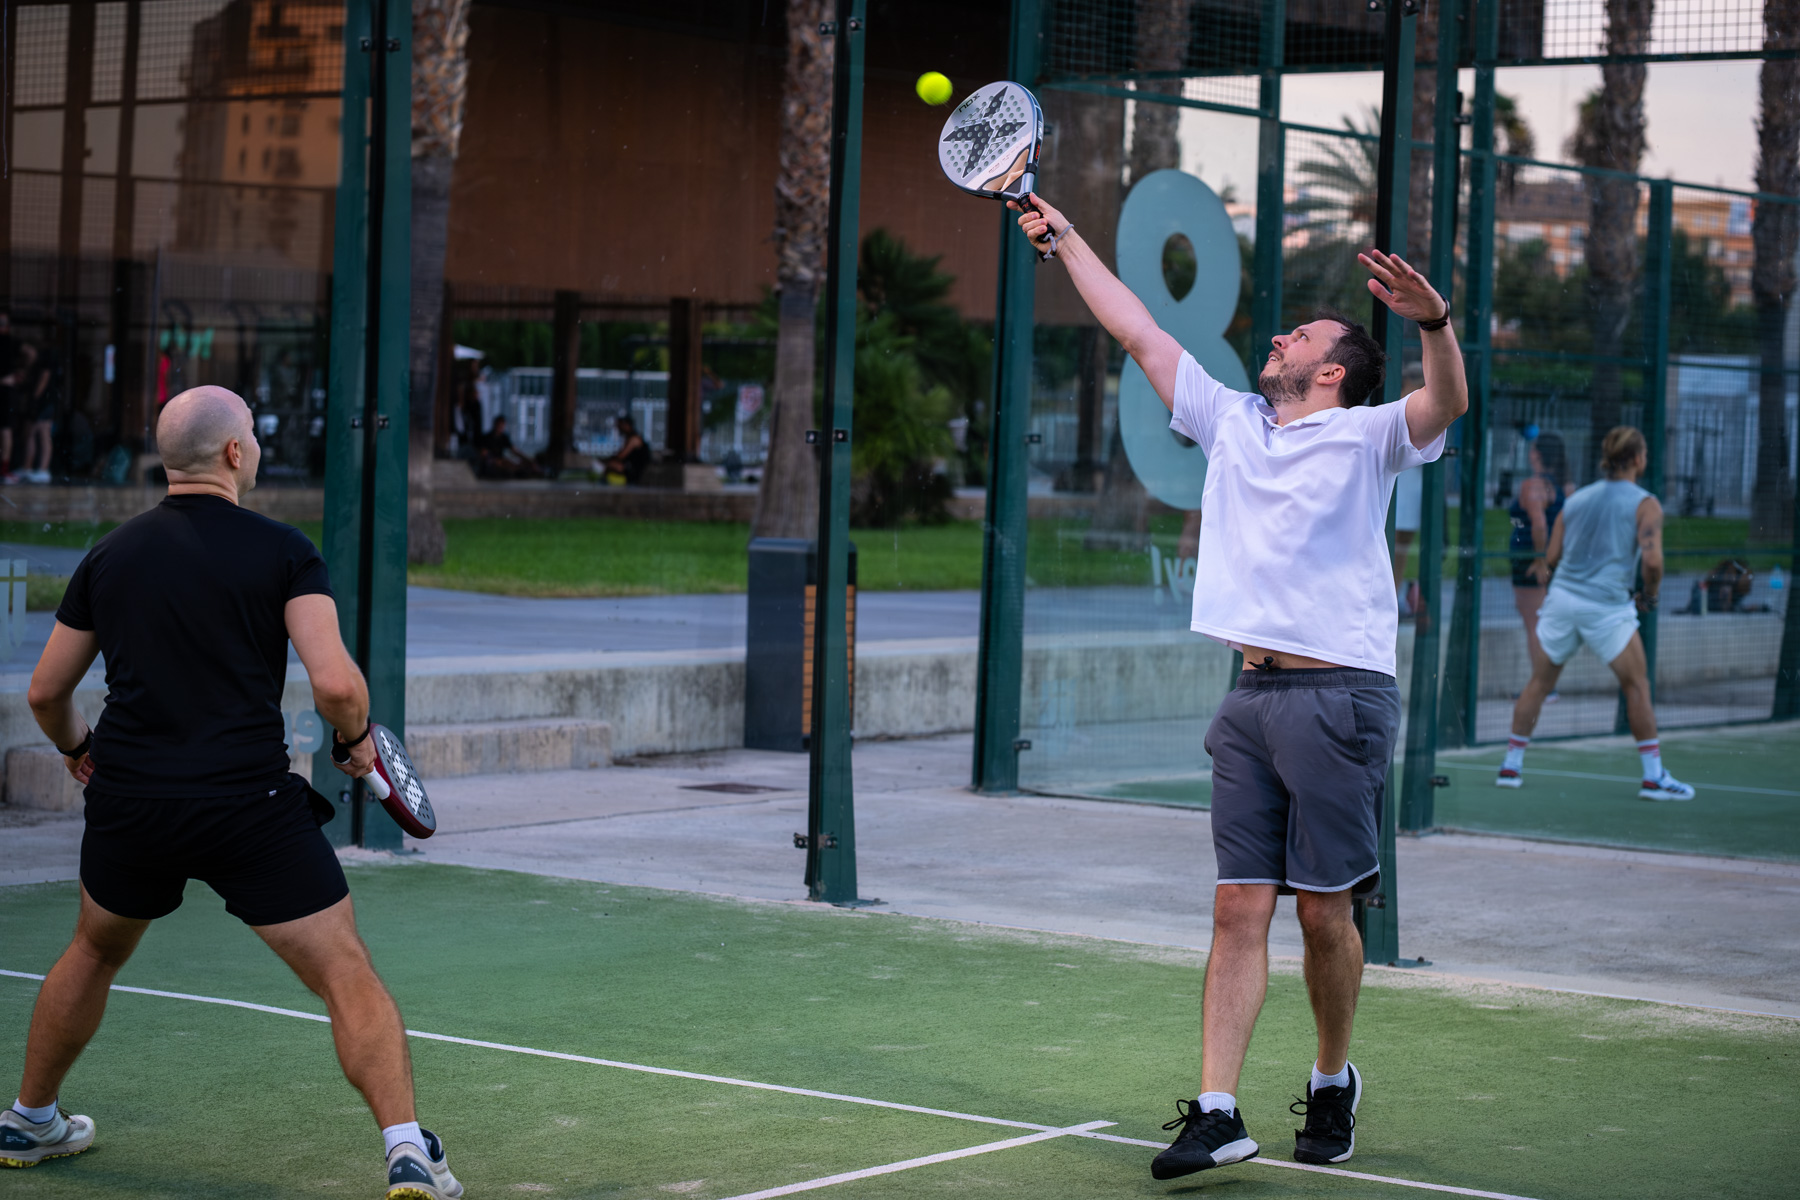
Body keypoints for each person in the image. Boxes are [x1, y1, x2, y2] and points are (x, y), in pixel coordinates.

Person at [1010, 193, 1466, 1176]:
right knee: (1235, 907)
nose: (1277, 336)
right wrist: (1064, 238)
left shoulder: (1370, 434)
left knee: (1323, 913)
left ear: (1332, 370)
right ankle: (1217, 1110)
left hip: (1341, 696)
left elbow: (1446, 404)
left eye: (1298, 334)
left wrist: (1434, 322)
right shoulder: (1232, 424)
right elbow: (1136, 328)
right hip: (1250, 700)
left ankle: (1333, 1078)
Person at [0, 386, 463, 1198]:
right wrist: (356, 745)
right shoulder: (284, 551)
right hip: (247, 808)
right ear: (235, 455)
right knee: (344, 971)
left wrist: (81, 751)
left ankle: (28, 1118)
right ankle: (406, 1152)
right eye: (251, 434)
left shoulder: (108, 556)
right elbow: (335, 684)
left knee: (94, 949)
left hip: (131, 804)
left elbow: (44, 692)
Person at [1496, 426, 1694, 801]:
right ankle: (1653, 778)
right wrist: (1649, 597)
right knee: (1636, 685)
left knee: (1538, 682)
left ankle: (1511, 767)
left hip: (1562, 603)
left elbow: (1551, 558)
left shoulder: (1578, 499)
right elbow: (1652, 561)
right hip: (1608, 609)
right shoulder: (1646, 503)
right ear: (1637, 458)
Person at [1508, 432, 1569, 694]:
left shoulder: (1533, 486)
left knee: (1535, 626)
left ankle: (1543, 690)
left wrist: (1539, 558)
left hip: (1530, 562)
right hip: (1547, 560)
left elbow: (1540, 524)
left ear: (1536, 455)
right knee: (1540, 623)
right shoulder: (1560, 486)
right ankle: (1546, 686)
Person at [475, 412, 539, 479]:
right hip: (491, 463)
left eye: (502, 426)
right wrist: (494, 460)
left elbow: (514, 451)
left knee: (516, 466)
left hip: (501, 461)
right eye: (499, 425)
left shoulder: (504, 437)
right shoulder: (487, 438)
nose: (500, 428)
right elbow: (484, 453)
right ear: (495, 425)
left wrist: (527, 459)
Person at [601, 414, 651, 483]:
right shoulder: (629, 438)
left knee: (609, 465)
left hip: (634, 471)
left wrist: (606, 460)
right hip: (630, 468)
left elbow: (621, 456)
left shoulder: (634, 439)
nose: (618, 428)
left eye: (620, 425)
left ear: (626, 425)